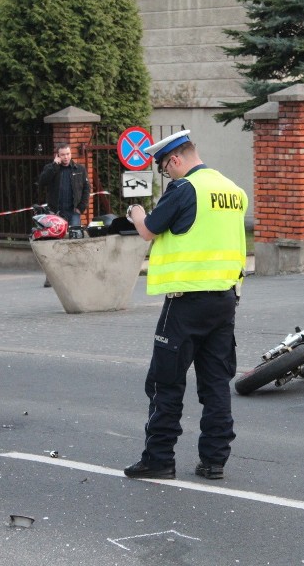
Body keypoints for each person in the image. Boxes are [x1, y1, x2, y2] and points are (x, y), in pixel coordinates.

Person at [123, 130, 247, 481]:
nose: (168, 174)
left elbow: (148, 230)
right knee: (216, 384)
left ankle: (159, 458)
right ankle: (214, 461)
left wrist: (135, 212)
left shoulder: (185, 189)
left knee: (166, 383)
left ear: (175, 159)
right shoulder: (232, 190)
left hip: (185, 303)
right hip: (224, 300)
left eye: (165, 167)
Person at [37, 142, 91, 286]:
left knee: (74, 244)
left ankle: (75, 274)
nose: (66, 157)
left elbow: (86, 189)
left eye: (68, 154)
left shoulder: (79, 169)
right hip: (56, 213)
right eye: (62, 155)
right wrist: (54, 165)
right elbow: (42, 181)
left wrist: (81, 208)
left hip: (73, 212)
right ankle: (51, 277)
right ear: (57, 155)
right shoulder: (51, 168)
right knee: (54, 245)